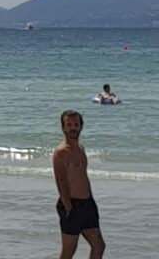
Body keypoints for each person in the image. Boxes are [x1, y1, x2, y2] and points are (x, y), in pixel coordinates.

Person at [53, 110, 106, 258]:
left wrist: (91, 201)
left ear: (81, 126)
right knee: (69, 251)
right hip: (71, 206)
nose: (73, 128)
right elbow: (61, 181)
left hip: (87, 204)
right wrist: (68, 206)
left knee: (99, 245)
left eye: (76, 124)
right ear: (63, 128)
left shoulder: (80, 149)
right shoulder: (61, 152)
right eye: (69, 125)